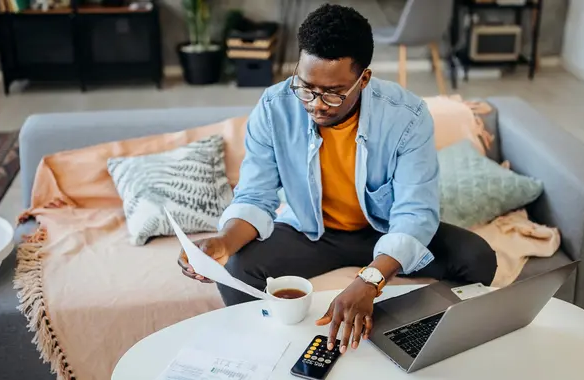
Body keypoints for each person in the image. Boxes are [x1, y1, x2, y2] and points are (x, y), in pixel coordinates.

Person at [178, 3, 497, 355]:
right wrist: (223, 242)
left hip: (384, 228)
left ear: (364, 79)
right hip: (311, 231)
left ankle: (405, 333)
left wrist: (372, 280)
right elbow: (255, 196)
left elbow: (415, 213)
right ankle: (270, 353)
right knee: (238, 266)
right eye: (306, 87)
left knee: (477, 257)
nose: (315, 105)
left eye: (333, 93)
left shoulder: (407, 115)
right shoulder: (274, 107)